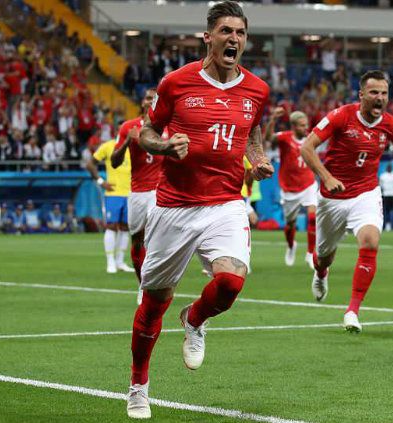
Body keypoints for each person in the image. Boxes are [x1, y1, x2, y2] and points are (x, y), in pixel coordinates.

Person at [128, 2, 273, 419]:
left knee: (230, 283)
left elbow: (252, 133)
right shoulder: (176, 83)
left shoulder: (257, 90)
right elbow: (146, 132)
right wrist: (164, 146)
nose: (234, 39)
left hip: (225, 202)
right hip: (174, 207)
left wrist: (257, 159)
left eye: (240, 32)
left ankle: (194, 318)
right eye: (226, 31)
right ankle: (138, 385)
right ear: (207, 37)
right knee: (154, 302)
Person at [300, 70, 393, 333]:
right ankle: (320, 273)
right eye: (374, 93)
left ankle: (352, 311)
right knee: (324, 258)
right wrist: (326, 177)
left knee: (370, 241)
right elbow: (307, 148)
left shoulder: (392, 125)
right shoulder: (341, 116)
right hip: (332, 198)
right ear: (361, 94)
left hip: (366, 193)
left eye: (384, 93)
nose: (380, 98)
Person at [111, 88, 162, 299]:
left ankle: (155, 285)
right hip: (138, 192)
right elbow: (114, 162)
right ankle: (142, 285)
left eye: (155, 99)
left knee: (155, 239)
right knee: (137, 241)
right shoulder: (128, 127)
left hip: (160, 192)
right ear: (143, 102)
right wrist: (127, 142)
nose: (150, 102)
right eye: (148, 98)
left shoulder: (168, 126)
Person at [264, 107, 317, 268]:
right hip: (289, 188)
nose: (305, 128)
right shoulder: (285, 138)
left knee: (312, 218)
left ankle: (310, 253)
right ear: (293, 126)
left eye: (306, 124)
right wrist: (273, 119)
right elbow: (268, 139)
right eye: (301, 125)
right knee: (290, 225)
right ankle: (291, 245)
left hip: (308, 183)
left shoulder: (311, 139)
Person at [87, 138, 133, 274]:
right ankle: (110, 261)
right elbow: (90, 164)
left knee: (125, 228)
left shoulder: (135, 146)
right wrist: (101, 181)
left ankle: (120, 261)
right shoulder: (108, 146)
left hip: (131, 193)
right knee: (112, 226)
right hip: (114, 193)